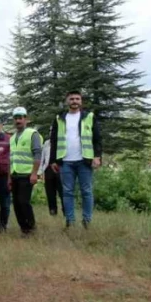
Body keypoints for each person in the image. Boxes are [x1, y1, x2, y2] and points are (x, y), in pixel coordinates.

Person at [48, 90, 102, 229]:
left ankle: (87, 221)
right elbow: (53, 140)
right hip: (65, 161)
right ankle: (70, 221)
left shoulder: (89, 117)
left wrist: (97, 156)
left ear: (81, 101)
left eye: (77, 99)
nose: (74, 101)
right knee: (67, 192)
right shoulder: (59, 118)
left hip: (85, 160)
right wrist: (53, 160)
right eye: (71, 99)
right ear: (67, 101)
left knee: (86, 191)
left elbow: (97, 138)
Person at [9, 107, 42, 235]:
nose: (18, 120)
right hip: (14, 174)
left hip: (27, 174)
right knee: (16, 203)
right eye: (16, 118)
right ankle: (24, 229)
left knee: (24, 201)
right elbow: (10, 158)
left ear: (26, 119)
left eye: (20, 117)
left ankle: (31, 226)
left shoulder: (32, 134)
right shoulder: (12, 138)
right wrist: (9, 177)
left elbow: (37, 154)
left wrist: (35, 173)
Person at [39, 144, 61, 216]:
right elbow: (42, 158)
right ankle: (52, 211)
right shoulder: (46, 144)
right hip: (48, 169)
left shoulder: (63, 140)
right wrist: (40, 171)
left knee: (62, 192)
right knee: (50, 192)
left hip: (60, 168)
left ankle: (66, 211)